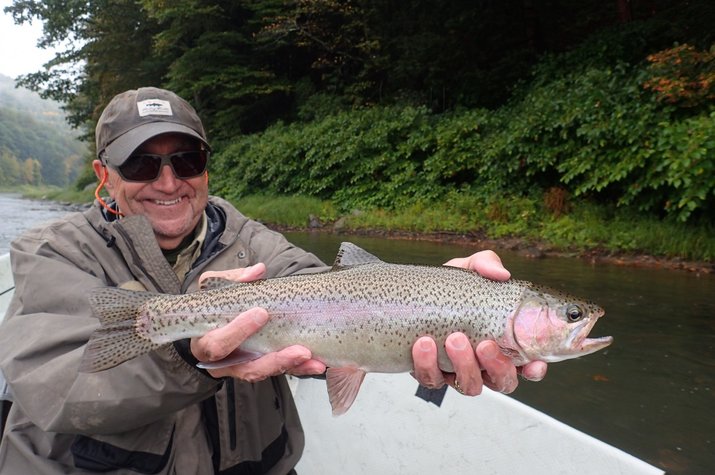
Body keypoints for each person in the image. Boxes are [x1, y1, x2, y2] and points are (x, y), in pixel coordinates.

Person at [0, 87, 547, 474]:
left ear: (207, 165)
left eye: (186, 159)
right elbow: (59, 390)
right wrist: (190, 353)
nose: (168, 181)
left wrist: (441, 302)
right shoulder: (51, 253)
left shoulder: (253, 241)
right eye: (141, 164)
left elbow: (331, 297)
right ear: (103, 175)